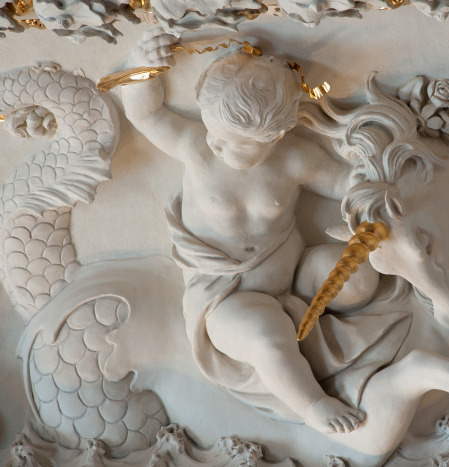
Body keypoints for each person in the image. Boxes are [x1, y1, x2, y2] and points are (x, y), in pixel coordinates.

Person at [121, 28, 370, 434]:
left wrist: (369, 192)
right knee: (265, 335)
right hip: (226, 303)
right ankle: (314, 405)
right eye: (213, 133)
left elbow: (348, 183)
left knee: (358, 276)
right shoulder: (198, 148)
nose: (217, 146)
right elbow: (146, 115)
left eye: (234, 143)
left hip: (294, 285)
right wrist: (141, 67)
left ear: (275, 135)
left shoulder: (294, 159)